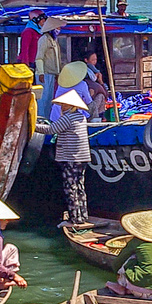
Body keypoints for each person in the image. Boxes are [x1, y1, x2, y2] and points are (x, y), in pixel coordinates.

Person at [47, 89, 91, 226]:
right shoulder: (81, 117)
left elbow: (50, 130)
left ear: (70, 106)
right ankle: (82, 216)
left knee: (70, 188)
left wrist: (32, 125)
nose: (62, 107)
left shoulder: (67, 118)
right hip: (82, 158)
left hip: (70, 158)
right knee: (80, 186)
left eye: (64, 105)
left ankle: (74, 219)